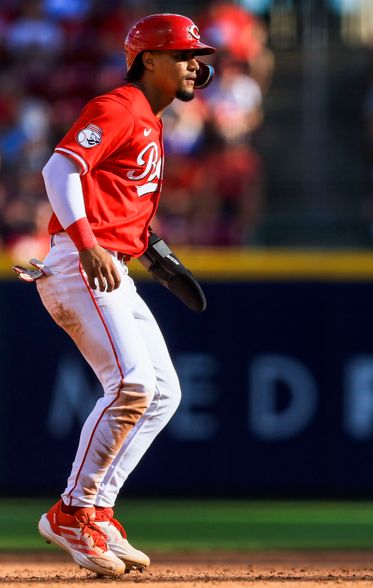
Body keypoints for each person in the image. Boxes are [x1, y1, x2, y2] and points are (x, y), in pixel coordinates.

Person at [31, 13, 215, 577]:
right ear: (148, 60)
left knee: (162, 393)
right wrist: (86, 242)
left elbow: (119, 204)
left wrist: (155, 253)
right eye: (183, 54)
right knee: (132, 384)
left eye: (195, 55)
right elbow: (58, 169)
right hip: (82, 262)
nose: (194, 64)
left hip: (112, 264)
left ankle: (98, 510)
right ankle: (72, 512)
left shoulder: (152, 122)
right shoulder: (120, 106)